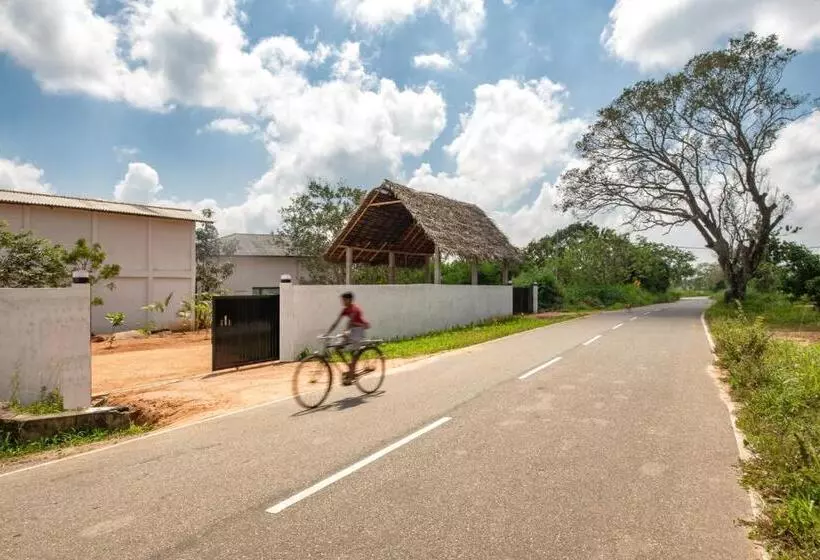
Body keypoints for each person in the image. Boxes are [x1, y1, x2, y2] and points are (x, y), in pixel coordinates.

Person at [325, 291, 370, 385]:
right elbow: (336, 322)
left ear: (349, 300)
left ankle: (351, 374)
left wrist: (346, 332)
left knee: (354, 353)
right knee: (337, 348)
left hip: (358, 330)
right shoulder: (345, 310)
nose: (342, 301)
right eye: (342, 300)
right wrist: (327, 333)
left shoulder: (354, 309)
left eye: (344, 300)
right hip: (351, 330)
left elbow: (351, 321)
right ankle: (350, 367)